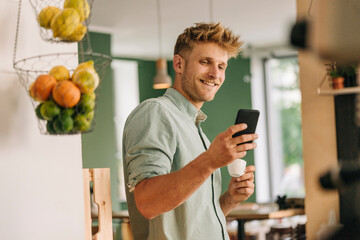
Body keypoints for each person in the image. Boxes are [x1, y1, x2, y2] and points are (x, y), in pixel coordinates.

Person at [122, 22, 258, 240]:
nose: (215, 74)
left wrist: (230, 199)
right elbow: (147, 203)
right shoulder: (156, 112)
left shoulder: (196, 131)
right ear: (178, 64)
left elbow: (193, 223)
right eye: (206, 62)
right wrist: (211, 161)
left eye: (221, 66)